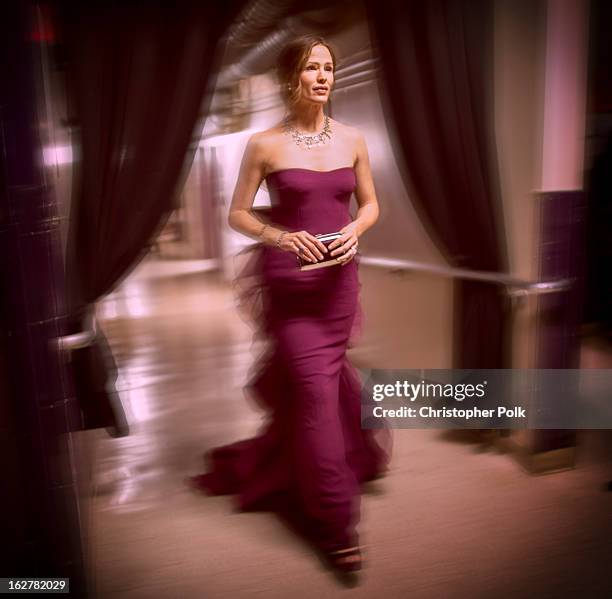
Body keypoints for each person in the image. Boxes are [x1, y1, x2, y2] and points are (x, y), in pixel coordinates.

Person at [189, 34, 391, 579]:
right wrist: (281, 237)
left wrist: (355, 229)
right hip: (292, 289)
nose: (323, 76)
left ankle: (291, 461)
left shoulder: (353, 139)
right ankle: (337, 528)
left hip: (339, 288)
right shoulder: (265, 144)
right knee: (315, 395)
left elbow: (370, 203)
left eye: (329, 67)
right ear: (289, 78)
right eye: (311, 67)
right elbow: (238, 214)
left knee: (320, 390)